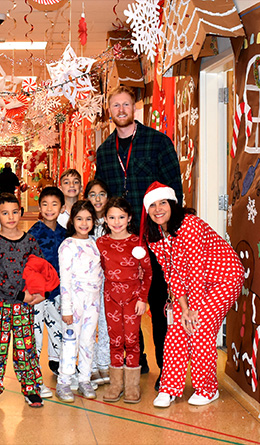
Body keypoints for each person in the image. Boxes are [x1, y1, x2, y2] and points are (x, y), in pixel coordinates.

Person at [95, 85, 183, 385]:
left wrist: (171, 229)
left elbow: (174, 190)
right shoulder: (104, 151)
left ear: (135, 108)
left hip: (153, 236)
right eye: (115, 106)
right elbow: (103, 196)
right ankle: (138, 361)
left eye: (126, 105)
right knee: (125, 305)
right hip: (120, 240)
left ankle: (165, 370)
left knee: (157, 304)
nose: (121, 110)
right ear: (110, 111)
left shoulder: (157, 142)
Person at [141, 182, 244, 407]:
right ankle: (169, 387)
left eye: (163, 203)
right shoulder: (154, 236)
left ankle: (207, 389)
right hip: (191, 285)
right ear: (147, 210)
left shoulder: (189, 224)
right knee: (176, 328)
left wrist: (193, 310)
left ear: (172, 204)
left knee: (200, 327)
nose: (158, 209)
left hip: (223, 279)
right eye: (153, 205)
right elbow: (172, 274)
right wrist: (184, 308)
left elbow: (195, 268)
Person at [0, 193, 45, 409]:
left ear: (20, 213)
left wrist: (38, 292)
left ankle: (31, 388)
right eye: (5, 213)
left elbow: (38, 268)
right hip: (0, 304)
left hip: (24, 305)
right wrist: (20, 295)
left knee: (25, 347)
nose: (10, 216)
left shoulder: (30, 240)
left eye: (14, 212)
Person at [96, 197, 152, 404]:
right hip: (110, 297)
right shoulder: (101, 243)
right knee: (115, 341)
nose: (116, 221)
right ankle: (116, 384)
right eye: (111, 217)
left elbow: (148, 273)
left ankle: (132, 386)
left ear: (129, 218)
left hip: (133, 299)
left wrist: (142, 299)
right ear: (105, 219)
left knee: (132, 340)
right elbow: (98, 270)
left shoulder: (137, 242)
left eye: (121, 217)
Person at [55, 201, 103, 403]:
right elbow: (64, 280)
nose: (84, 223)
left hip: (93, 302)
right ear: (72, 221)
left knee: (88, 341)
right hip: (73, 303)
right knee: (70, 343)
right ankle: (64, 380)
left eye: (88, 219)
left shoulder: (94, 243)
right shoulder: (67, 246)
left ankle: (84, 378)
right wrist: (66, 309)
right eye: (79, 219)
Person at [28, 186, 67, 392]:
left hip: (58, 292)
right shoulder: (33, 233)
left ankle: (60, 365)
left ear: (61, 208)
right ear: (40, 207)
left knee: (58, 330)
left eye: (54, 204)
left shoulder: (65, 233)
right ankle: (33, 376)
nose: (50, 208)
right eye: (45, 204)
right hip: (37, 295)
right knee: (35, 334)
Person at [84, 179, 111, 386]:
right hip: (87, 284)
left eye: (101, 194)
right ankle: (89, 366)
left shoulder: (113, 221)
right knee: (88, 326)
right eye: (92, 194)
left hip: (109, 284)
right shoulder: (84, 223)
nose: (97, 198)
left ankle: (104, 364)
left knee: (106, 324)